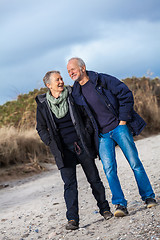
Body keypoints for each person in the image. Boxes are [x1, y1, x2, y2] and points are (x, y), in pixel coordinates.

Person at [67, 57, 157, 217]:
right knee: (109, 169)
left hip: (119, 127)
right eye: (68, 71)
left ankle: (149, 197)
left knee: (135, 163)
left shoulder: (102, 79)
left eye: (72, 69)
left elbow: (125, 94)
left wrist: (123, 120)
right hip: (102, 135)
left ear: (82, 68)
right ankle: (120, 205)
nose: (71, 73)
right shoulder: (75, 92)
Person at [35, 70, 113, 230]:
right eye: (57, 80)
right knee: (70, 185)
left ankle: (105, 209)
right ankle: (72, 219)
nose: (61, 81)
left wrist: (87, 132)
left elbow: (86, 116)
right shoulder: (43, 105)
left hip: (81, 145)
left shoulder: (72, 95)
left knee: (94, 180)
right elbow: (41, 128)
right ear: (49, 85)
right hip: (63, 151)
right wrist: (50, 142)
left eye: (61, 78)